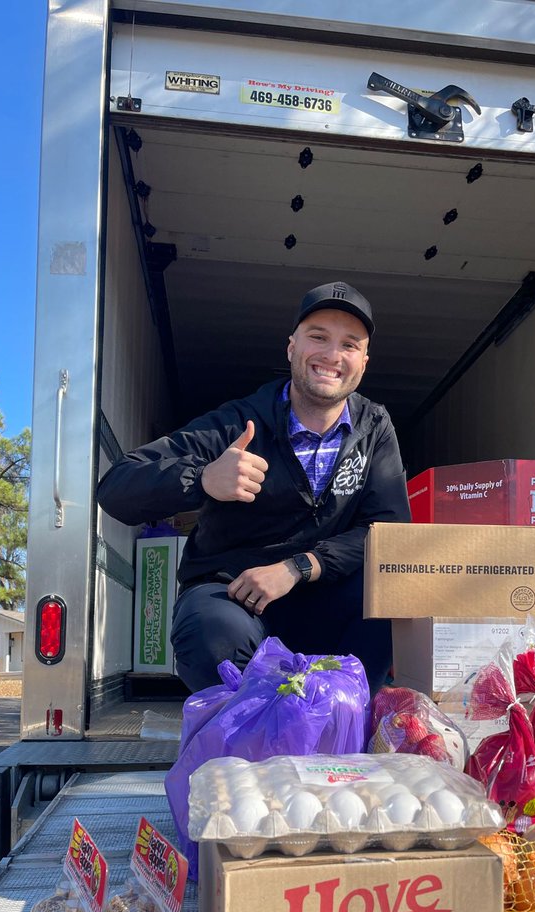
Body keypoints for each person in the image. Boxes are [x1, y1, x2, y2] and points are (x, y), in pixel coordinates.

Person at [97, 280, 410, 693]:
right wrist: (204, 479)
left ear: (364, 362)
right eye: (318, 337)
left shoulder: (374, 428)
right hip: (235, 595)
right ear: (292, 347)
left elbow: (387, 531)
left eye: (349, 345)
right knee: (210, 633)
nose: (333, 356)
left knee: (391, 599)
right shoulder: (237, 422)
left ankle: (344, 725)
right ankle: (251, 736)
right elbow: (116, 486)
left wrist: (299, 568)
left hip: (321, 593)